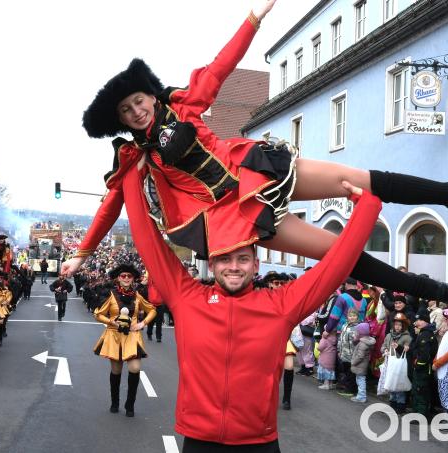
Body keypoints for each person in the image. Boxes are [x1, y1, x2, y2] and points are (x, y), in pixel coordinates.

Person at [62, 0, 448, 309]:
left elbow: (221, 66)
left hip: (257, 170)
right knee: (340, 253)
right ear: (121, 120)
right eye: (127, 110)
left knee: (364, 179)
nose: (137, 111)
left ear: (149, 95)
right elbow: (109, 207)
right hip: (236, 215)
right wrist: (82, 254)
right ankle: (440, 291)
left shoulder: (184, 103)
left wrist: (255, 17)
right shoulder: (135, 159)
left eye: (138, 100)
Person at [117, 158, 381, 449]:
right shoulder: (186, 298)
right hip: (199, 440)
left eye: (243, 259)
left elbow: (335, 265)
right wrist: (131, 174)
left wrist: (365, 208)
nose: (234, 267)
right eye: (225, 259)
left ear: (256, 265)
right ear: (213, 263)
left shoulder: (281, 304)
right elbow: (148, 241)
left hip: (259, 443)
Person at [93, 264, 157, 417]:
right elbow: (98, 313)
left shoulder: (138, 295)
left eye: (129, 276)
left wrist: (142, 323)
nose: (126, 278)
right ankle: (115, 402)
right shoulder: (111, 295)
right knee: (116, 371)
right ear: (118, 278)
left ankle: (130, 404)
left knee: (134, 368)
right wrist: (112, 322)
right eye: (123, 276)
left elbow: (152, 310)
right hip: (114, 336)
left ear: (133, 279)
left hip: (132, 336)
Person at [410, 307, 439, 418]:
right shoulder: (423, 333)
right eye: (417, 320)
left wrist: (418, 365)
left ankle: (421, 416)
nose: (417, 322)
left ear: (426, 321)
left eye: (420, 320)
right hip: (421, 368)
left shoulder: (426, 335)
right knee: (417, 392)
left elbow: (424, 355)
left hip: (423, 369)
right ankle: (417, 414)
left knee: (421, 392)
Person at [382, 312, 413, 413]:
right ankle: (392, 403)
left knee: (399, 385)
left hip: (400, 365)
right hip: (390, 363)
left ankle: (400, 405)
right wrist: (385, 350)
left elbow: (407, 350)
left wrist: (402, 348)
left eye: (400, 325)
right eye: (396, 324)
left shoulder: (407, 337)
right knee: (391, 383)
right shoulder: (389, 335)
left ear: (403, 326)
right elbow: (384, 346)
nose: (397, 327)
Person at [350, 322, 375, 403]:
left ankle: (361, 396)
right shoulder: (366, 341)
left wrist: (353, 362)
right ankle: (360, 395)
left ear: (361, 333)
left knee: (360, 380)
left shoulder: (362, 344)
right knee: (360, 380)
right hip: (363, 365)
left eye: (357, 331)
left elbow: (360, 356)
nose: (356, 332)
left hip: (360, 365)